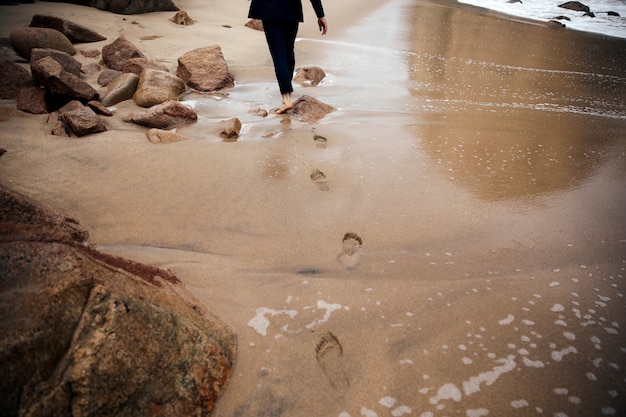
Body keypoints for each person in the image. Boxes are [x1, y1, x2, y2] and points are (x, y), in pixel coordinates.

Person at [248, 0, 328, 114]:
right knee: (288, 51)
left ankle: (286, 99)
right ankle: (287, 92)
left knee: (278, 54)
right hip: (291, 10)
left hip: (270, 10)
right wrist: (320, 15)